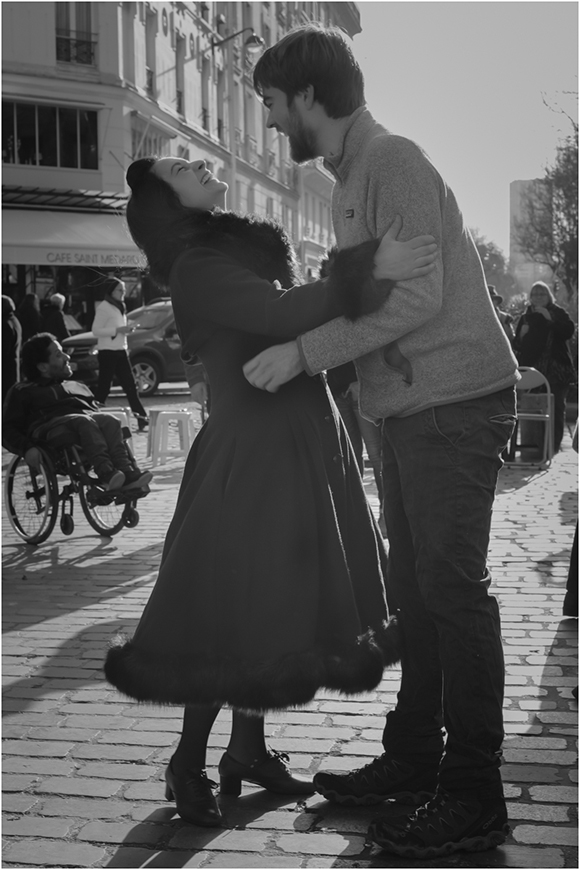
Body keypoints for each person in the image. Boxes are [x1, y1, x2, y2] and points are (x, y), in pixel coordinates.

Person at [246, 25, 520, 858]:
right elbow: (364, 297)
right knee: (416, 595)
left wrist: (304, 353)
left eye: (269, 105)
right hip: (407, 412)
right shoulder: (348, 180)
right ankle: (413, 758)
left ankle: (474, 791)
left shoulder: (391, 160)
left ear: (307, 97)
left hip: (454, 402)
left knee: (452, 594)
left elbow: (419, 299)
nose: (267, 124)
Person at [104, 154, 438, 828]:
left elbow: (302, 327)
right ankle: (187, 762)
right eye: (179, 165)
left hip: (299, 440)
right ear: (170, 202)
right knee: (233, 604)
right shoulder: (198, 264)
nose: (196, 160)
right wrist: (370, 266)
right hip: (254, 452)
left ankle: (247, 752)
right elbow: (279, 313)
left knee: (265, 605)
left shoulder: (230, 250)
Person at [3, 332, 152, 492]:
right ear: (43, 366)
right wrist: (27, 448)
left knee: (109, 420)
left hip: (81, 426)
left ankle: (127, 472)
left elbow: (94, 413)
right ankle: (106, 473)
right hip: (48, 430)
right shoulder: (23, 391)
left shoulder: (76, 386)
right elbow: (7, 428)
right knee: (83, 421)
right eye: (58, 355)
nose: (67, 357)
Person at [513, 281, 575, 452]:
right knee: (533, 407)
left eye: (542, 294)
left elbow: (568, 331)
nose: (538, 298)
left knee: (556, 408)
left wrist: (549, 320)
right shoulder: (526, 316)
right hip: (534, 370)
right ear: (530, 298)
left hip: (557, 370)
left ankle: (553, 447)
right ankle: (535, 445)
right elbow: (517, 345)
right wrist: (522, 335)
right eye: (535, 294)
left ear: (549, 296)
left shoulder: (557, 312)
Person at [91, 277, 149, 431]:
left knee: (130, 386)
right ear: (111, 291)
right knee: (104, 387)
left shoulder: (120, 306)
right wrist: (117, 330)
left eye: (124, 290)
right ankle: (91, 416)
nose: (123, 293)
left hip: (120, 350)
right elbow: (96, 330)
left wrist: (126, 329)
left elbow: (117, 328)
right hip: (108, 352)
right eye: (120, 290)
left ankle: (142, 418)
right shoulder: (104, 307)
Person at [2, 294, 22, 402]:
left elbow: (4, 348)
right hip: (13, 366)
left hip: (5, 368)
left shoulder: (5, 324)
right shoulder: (14, 320)